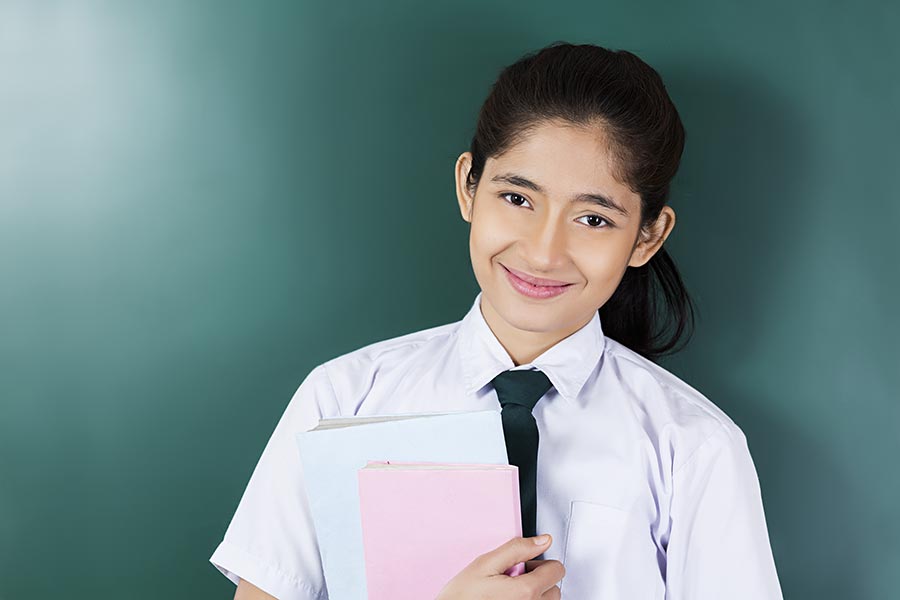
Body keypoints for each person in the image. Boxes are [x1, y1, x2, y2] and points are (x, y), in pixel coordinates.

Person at [210, 41, 784, 599]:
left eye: (592, 219)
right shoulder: (343, 401)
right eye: (517, 199)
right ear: (469, 186)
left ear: (648, 236)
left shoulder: (693, 448)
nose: (543, 252)